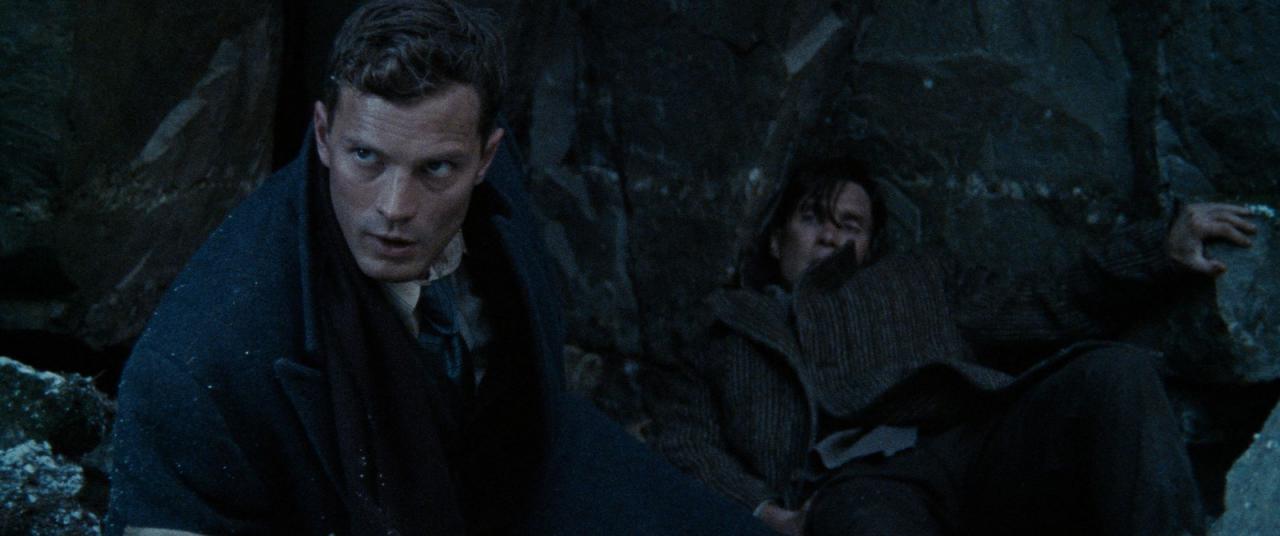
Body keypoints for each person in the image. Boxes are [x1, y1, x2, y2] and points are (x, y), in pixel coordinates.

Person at [107, 1, 772, 534]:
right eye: (366, 158)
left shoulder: (495, 186)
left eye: (436, 169)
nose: (395, 208)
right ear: (323, 136)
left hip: (525, 465)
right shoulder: (199, 364)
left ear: (486, 158)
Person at [647, 156, 1259, 535]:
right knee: (859, 525)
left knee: (1115, 376)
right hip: (857, 488)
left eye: (850, 224)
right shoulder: (726, 330)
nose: (830, 236)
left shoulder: (921, 282)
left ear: (871, 247)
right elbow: (683, 440)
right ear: (776, 239)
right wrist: (767, 514)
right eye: (812, 217)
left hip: (971, 448)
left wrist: (1159, 249)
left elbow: (1047, 300)